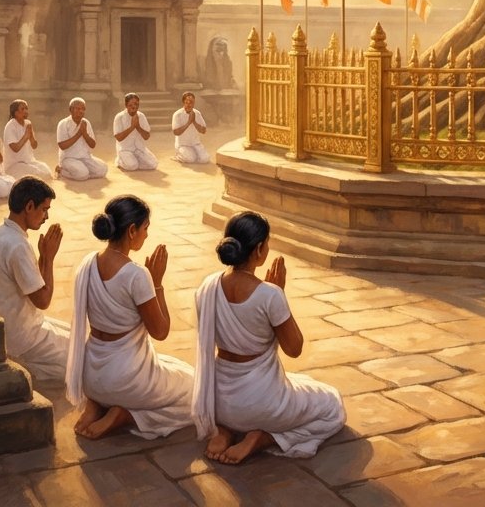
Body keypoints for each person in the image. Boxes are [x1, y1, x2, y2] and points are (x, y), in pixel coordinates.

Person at [192, 212, 345, 464]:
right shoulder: (269, 295)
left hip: (217, 401)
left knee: (300, 386)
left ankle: (225, 430)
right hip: (263, 405)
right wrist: (279, 296)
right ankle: (263, 438)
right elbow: (294, 348)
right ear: (260, 248)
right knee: (331, 405)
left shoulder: (207, 287)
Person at [66, 195, 194, 439]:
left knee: (176, 369)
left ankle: (96, 405)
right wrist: (157, 283)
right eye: (145, 228)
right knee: (195, 392)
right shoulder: (136, 275)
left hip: (91, 376)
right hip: (126, 381)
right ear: (132, 230)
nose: (147, 235)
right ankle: (125, 414)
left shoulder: (88, 263)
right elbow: (161, 331)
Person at [0, 176, 69, 384]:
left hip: (13, 327)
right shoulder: (17, 245)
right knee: (81, 363)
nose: (46, 216)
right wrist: (48, 257)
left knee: (79, 340)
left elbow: (31, 284)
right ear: (29, 206)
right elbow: (43, 300)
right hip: (22, 339)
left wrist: (43, 258)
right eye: (44, 209)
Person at [56, 98, 108, 180]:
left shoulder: (86, 123)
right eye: (78, 108)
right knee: (82, 174)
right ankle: (61, 170)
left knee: (103, 169)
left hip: (85, 157)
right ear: (71, 110)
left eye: (83, 109)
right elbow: (62, 146)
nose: (81, 111)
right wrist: (79, 133)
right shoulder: (63, 123)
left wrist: (84, 134)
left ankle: (84, 174)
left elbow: (92, 144)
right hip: (69, 158)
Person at [2, 99, 52, 179]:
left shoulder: (28, 123)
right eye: (23, 109)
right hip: (14, 165)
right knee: (40, 176)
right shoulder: (10, 126)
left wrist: (31, 135)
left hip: (29, 161)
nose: (26, 111)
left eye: (26, 108)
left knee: (47, 171)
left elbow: (34, 146)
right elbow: (15, 148)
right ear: (16, 113)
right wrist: (26, 136)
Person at [113, 93, 159, 172]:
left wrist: (137, 126)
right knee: (132, 166)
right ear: (126, 105)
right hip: (125, 149)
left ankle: (134, 161)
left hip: (139, 149)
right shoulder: (119, 117)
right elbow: (118, 138)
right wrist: (132, 127)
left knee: (153, 164)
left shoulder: (141, 116)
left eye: (136, 104)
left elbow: (146, 136)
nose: (133, 106)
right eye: (130, 104)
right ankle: (120, 160)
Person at [172, 92, 210, 164]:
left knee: (205, 159)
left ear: (194, 103)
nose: (189, 104)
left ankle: (194, 154)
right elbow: (176, 132)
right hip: (183, 144)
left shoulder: (197, 113)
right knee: (190, 159)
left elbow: (203, 131)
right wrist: (189, 122)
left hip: (195, 143)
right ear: (183, 102)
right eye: (187, 102)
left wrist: (194, 122)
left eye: (191, 102)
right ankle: (178, 155)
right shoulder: (177, 114)